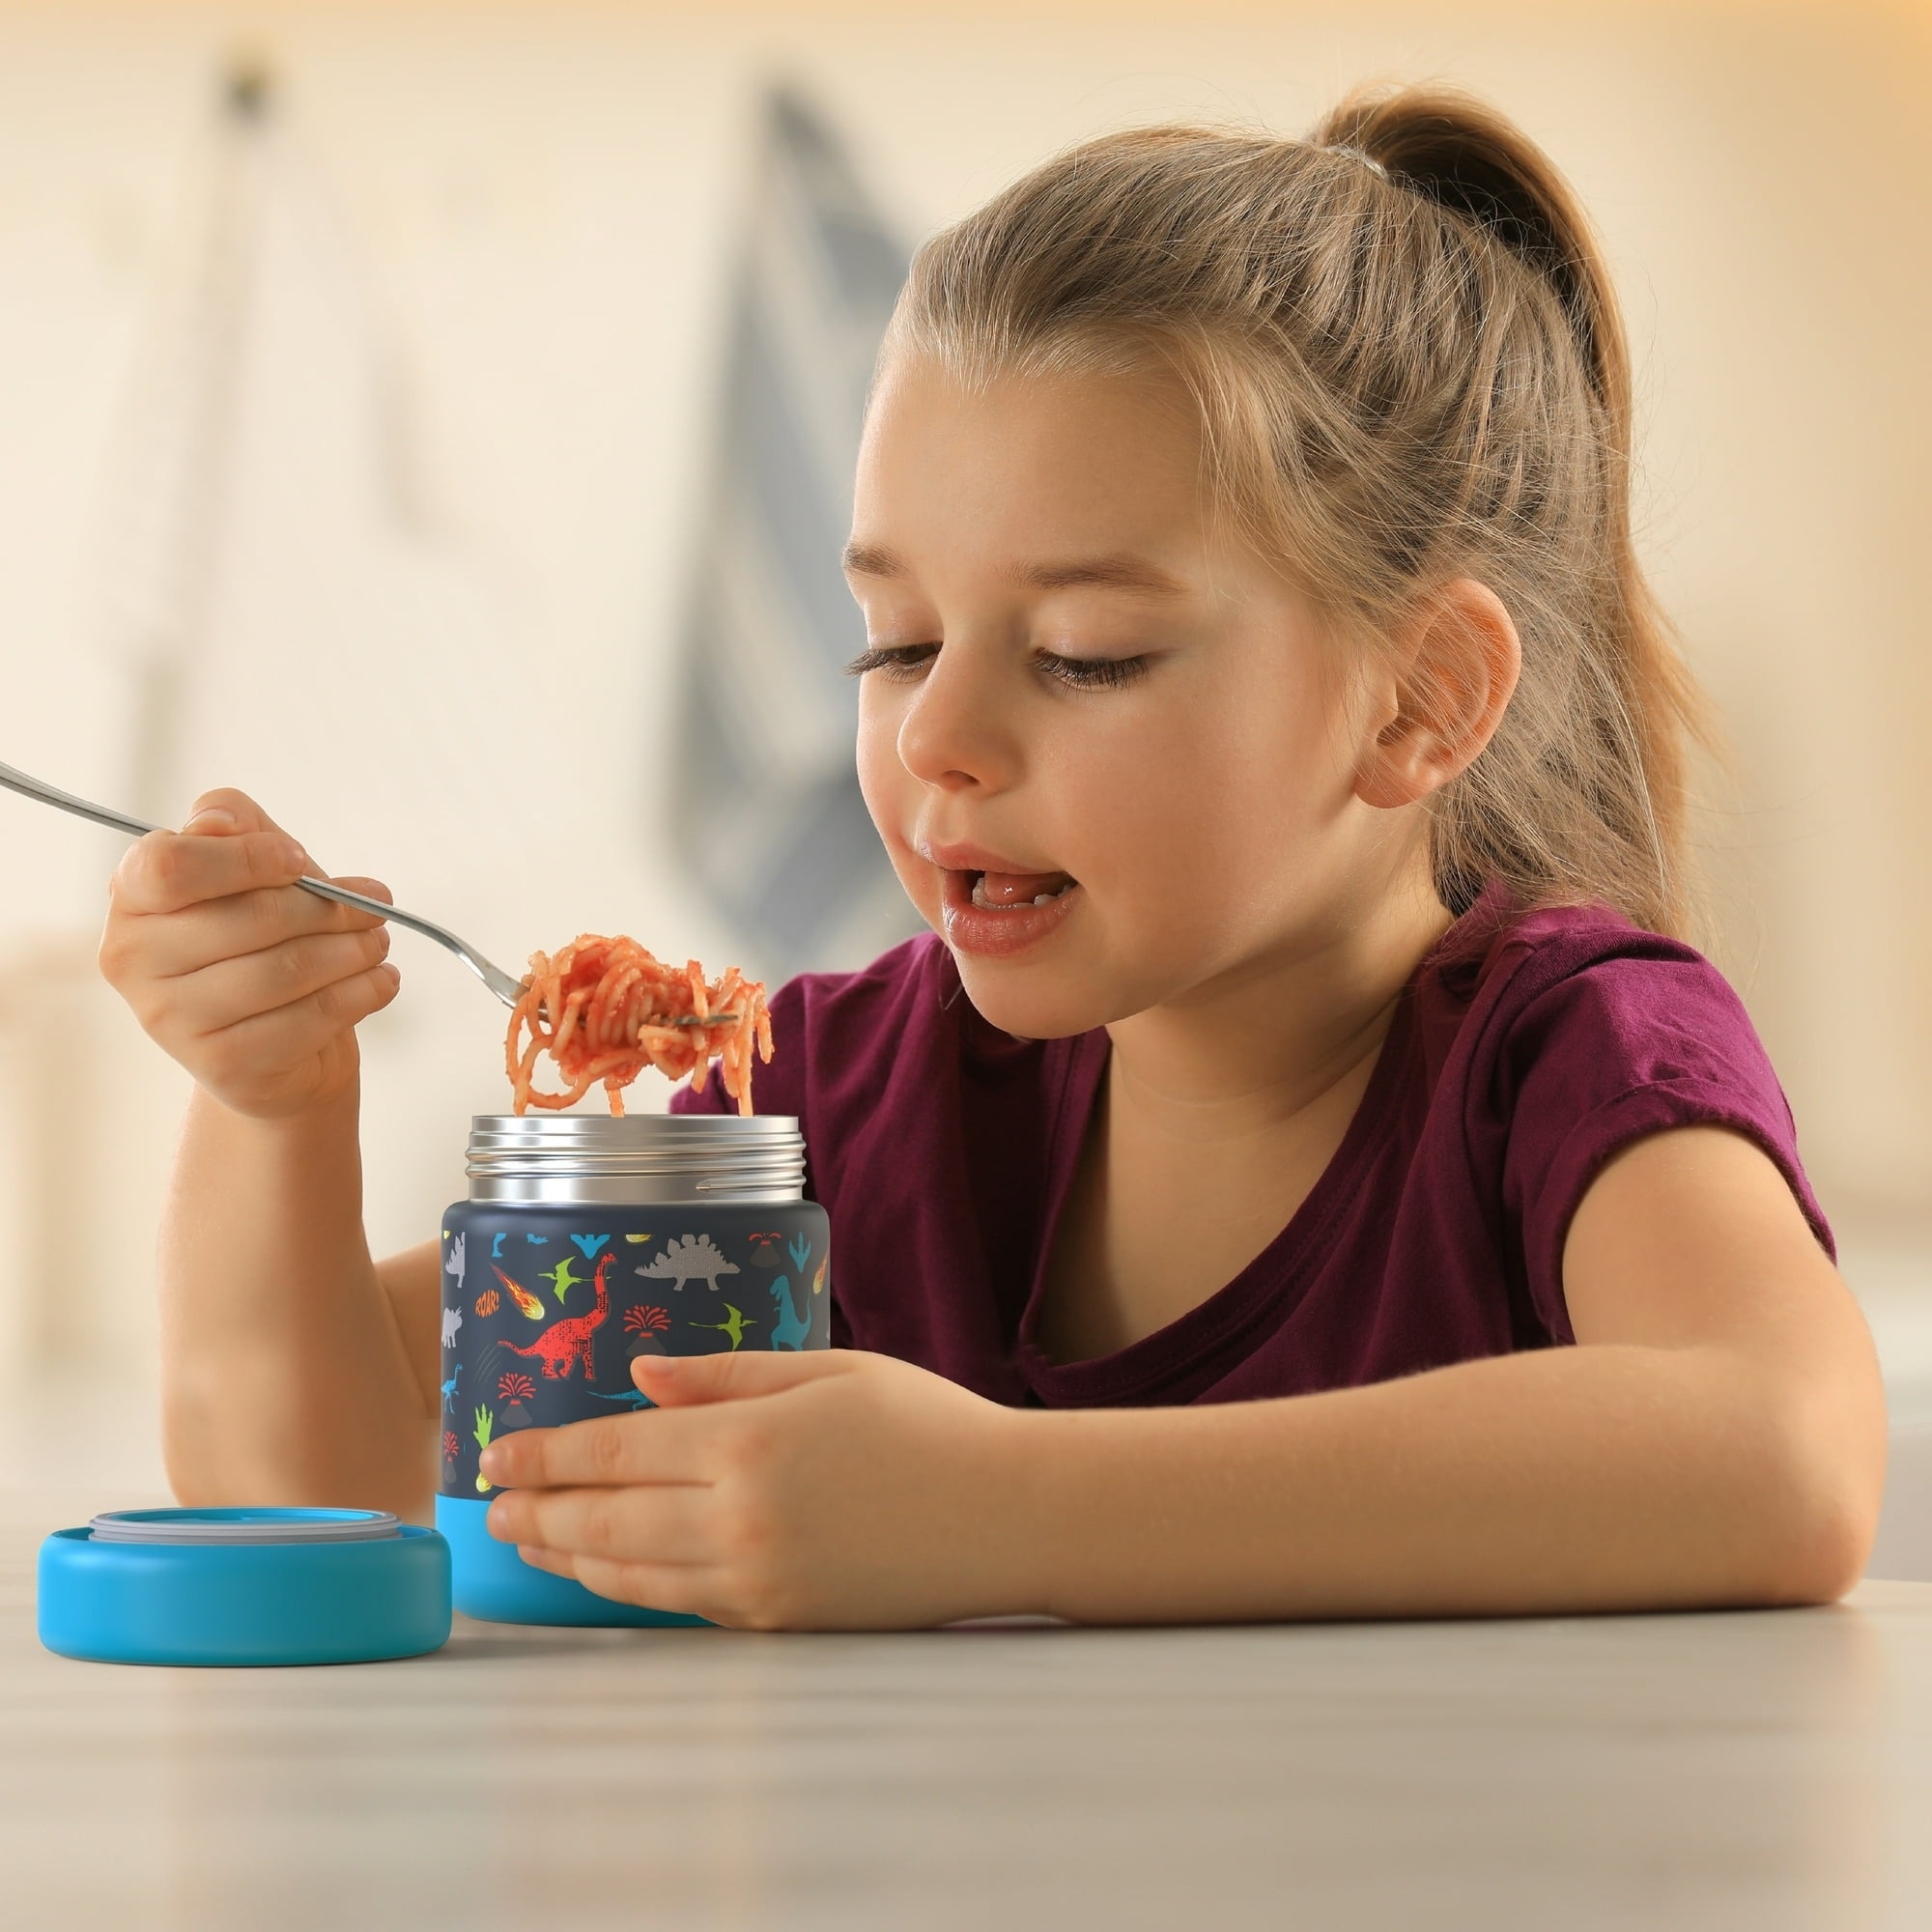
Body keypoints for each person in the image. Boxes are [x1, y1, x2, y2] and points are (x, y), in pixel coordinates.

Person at [99, 84, 1887, 1631]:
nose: (935, 735)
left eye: (1085, 654)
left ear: (1420, 699)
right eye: (893, 641)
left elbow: (1781, 1454)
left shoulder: (1572, 1057)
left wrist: (997, 1507)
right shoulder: (831, 1107)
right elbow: (333, 1477)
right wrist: (271, 1108)